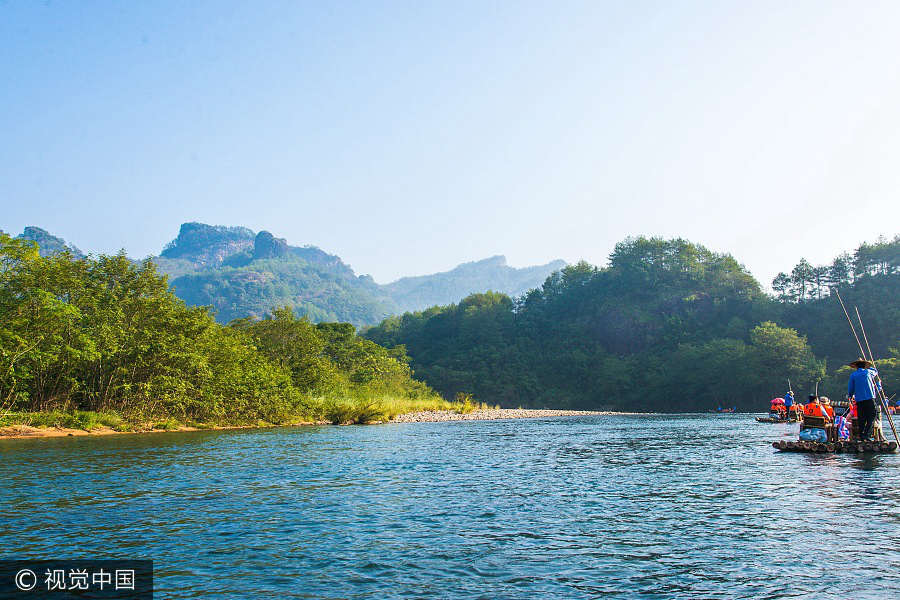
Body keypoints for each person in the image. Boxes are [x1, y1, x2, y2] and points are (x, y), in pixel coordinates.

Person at [847, 358, 881, 441]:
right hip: (870, 399)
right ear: (865, 366)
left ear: (856, 367)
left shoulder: (853, 375)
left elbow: (851, 388)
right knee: (872, 417)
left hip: (859, 400)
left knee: (862, 418)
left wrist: (850, 395)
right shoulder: (869, 372)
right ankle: (866, 434)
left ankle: (861, 435)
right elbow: (875, 371)